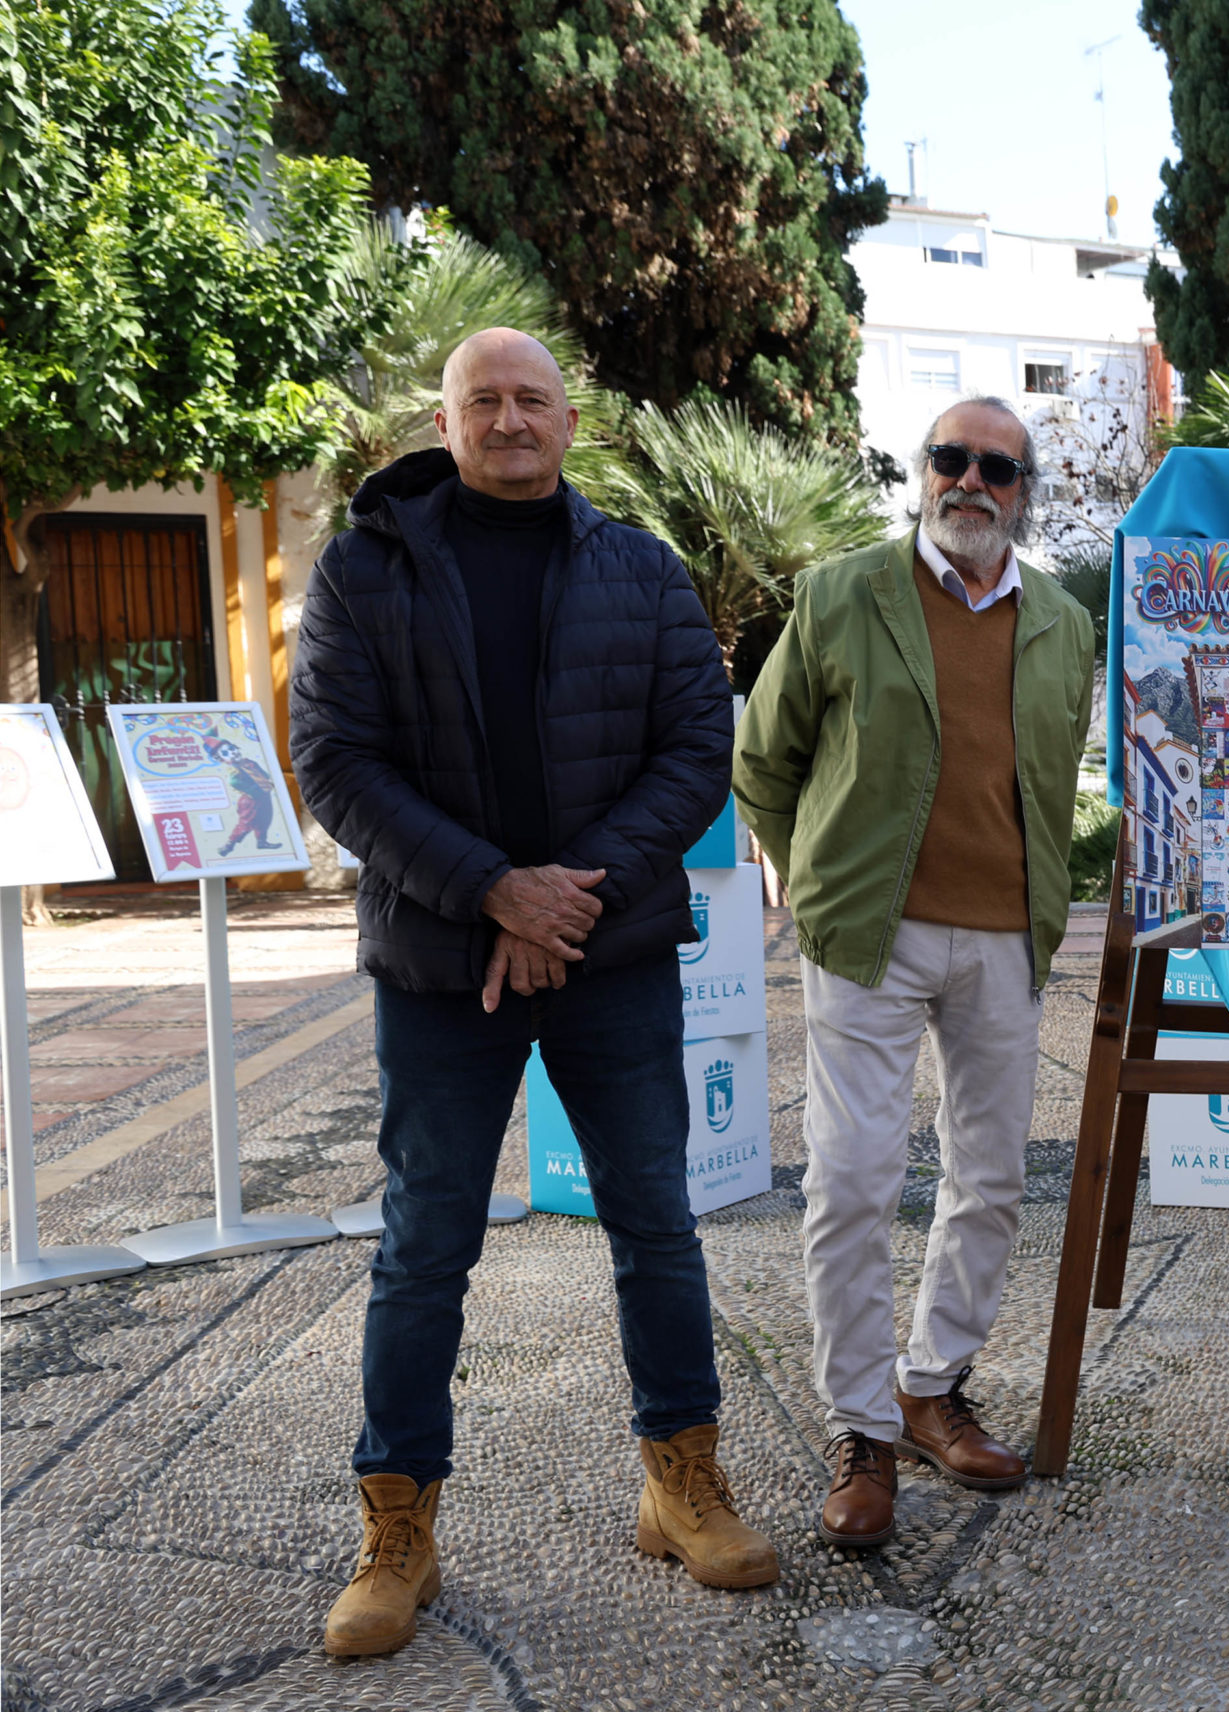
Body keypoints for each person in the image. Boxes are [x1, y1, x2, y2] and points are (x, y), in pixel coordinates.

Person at [291, 328, 772, 1658]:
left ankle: (681, 1480)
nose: (509, 420)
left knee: (657, 1225)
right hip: (438, 964)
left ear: (571, 422)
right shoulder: (363, 569)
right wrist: (493, 890)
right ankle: (399, 1527)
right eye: (483, 401)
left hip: (609, 959)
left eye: (531, 400)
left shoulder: (643, 570)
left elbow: (696, 748)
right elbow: (333, 759)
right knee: (423, 1245)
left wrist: (567, 900)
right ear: (445, 423)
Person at [733, 397, 1094, 1549]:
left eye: (997, 466)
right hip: (870, 935)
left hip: (1005, 936)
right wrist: (811, 878)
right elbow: (762, 758)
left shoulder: (1062, 622)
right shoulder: (843, 594)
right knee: (852, 1178)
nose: (970, 480)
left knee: (990, 1175)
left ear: (1024, 492)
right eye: (951, 458)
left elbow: (1050, 777)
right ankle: (861, 1427)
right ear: (922, 471)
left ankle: (932, 1385)